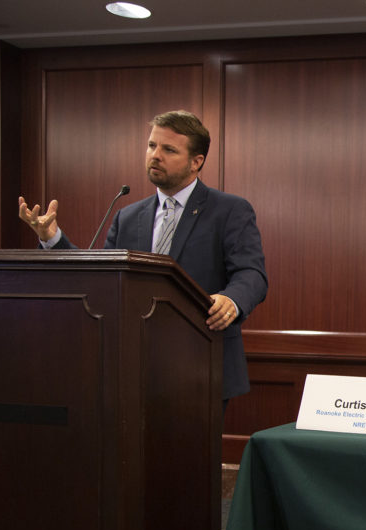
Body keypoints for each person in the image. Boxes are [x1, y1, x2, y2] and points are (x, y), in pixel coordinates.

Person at [19, 110, 268, 404]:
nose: (155, 155)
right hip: (131, 365)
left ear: (196, 161)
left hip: (200, 361)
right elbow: (100, 278)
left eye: (169, 149)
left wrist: (232, 300)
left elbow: (252, 274)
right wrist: (52, 239)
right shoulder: (128, 215)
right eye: (152, 146)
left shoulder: (229, 211)